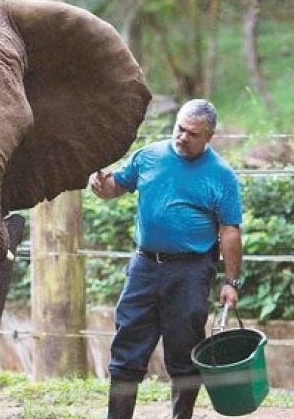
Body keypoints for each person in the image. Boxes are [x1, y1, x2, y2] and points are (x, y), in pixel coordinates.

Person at [89, 99, 243, 419]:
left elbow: (230, 230)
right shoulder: (149, 156)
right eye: (179, 128)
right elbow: (118, 185)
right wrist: (102, 187)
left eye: (192, 133)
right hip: (144, 266)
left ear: (209, 137)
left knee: (184, 355)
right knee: (126, 350)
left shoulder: (221, 175)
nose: (182, 137)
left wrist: (231, 281)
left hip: (190, 270)